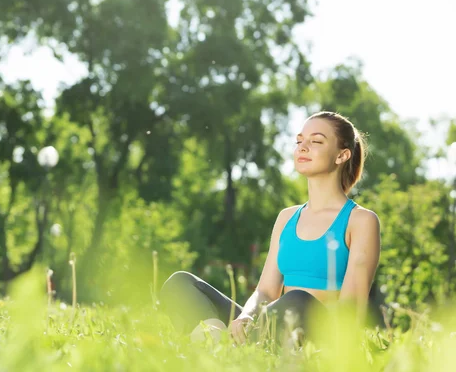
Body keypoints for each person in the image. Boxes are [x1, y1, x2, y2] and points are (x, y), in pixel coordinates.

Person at [159, 111, 381, 345]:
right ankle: (219, 345)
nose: (302, 147)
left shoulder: (360, 221)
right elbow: (265, 291)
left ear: (342, 155)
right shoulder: (287, 217)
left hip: (317, 338)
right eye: (299, 141)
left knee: (298, 300)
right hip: (271, 327)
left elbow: (350, 310)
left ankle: (228, 350)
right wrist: (246, 316)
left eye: (315, 141)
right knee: (180, 282)